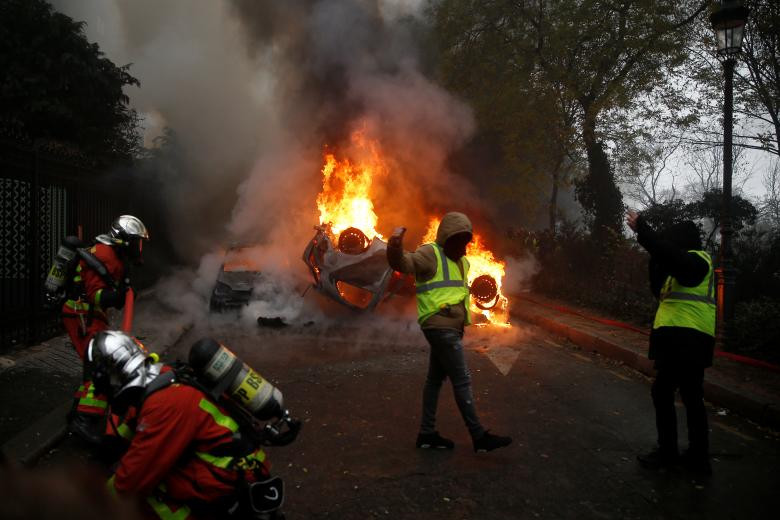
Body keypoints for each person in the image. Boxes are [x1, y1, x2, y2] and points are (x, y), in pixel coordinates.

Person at [88, 331, 289, 520]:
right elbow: (136, 418)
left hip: (234, 486)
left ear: (110, 377)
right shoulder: (164, 375)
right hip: (239, 471)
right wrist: (108, 448)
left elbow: (130, 482)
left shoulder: (164, 404)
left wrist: (91, 504)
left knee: (151, 491)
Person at [387, 212, 512, 453]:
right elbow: (402, 263)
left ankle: (427, 434)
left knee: (434, 380)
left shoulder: (463, 263)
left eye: (465, 241)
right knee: (462, 379)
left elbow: (458, 295)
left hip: (450, 329)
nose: (462, 247)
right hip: (439, 327)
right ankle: (479, 437)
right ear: (446, 238)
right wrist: (394, 245)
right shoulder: (429, 253)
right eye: (457, 241)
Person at [627, 210, 715, 475]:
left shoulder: (698, 261)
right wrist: (652, 248)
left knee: (676, 394)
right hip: (678, 340)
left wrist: (644, 230)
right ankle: (694, 457)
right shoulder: (677, 266)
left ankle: (675, 454)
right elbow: (659, 285)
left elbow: (673, 257)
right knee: (683, 395)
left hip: (688, 340)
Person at [62, 215, 149, 442]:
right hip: (82, 314)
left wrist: (122, 292)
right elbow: (96, 295)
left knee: (93, 366)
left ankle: (76, 413)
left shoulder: (113, 255)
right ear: (124, 239)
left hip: (88, 314)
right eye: (136, 241)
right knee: (102, 364)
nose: (138, 247)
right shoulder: (105, 255)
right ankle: (84, 421)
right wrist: (118, 296)